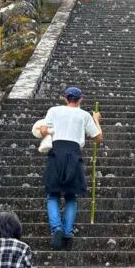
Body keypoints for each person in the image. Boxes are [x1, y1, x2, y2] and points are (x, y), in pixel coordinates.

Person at [39, 86, 102, 250]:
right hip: (74, 154)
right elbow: (97, 138)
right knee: (71, 196)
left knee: (52, 195)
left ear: (65, 98)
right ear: (80, 99)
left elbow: (44, 130)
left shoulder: (54, 110)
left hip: (56, 152)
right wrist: (96, 119)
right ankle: (67, 231)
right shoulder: (84, 115)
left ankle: (57, 228)